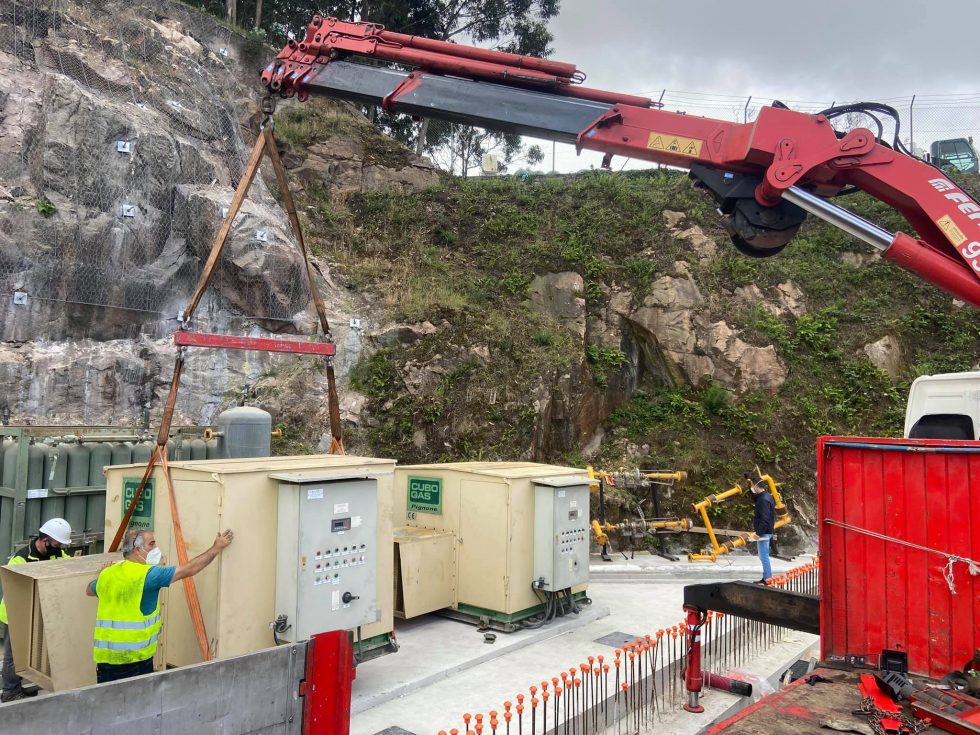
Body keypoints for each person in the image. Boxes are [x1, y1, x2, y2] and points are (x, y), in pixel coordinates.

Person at [86, 528, 233, 684]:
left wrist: (103, 575)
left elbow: (89, 590)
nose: (156, 548)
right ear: (137, 549)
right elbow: (190, 569)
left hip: (105, 662)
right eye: (152, 544)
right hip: (135, 662)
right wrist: (216, 548)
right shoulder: (149, 575)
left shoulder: (108, 574)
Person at [0, 518, 73, 702]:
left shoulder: (57, 554)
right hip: (16, 613)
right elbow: (14, 589)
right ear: (45, 540)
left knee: (31, 654)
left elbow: (71, 565)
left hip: (37, 612)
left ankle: (19, 687)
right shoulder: (21, 558)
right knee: (14, 656)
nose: (59, 548)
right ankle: (10, 692)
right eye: (57, 544)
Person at [748, 475, 776, 583]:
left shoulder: (763, 500)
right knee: (763, 556)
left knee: (764, 557)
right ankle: (766, 577)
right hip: (766, 530)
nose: (751, 488)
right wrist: (749, 482)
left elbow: (765, 518)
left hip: (764, 532)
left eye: (752, 486)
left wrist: (758, 533)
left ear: (756, 486)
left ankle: (768, 579)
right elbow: (755, 498)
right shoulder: (766, 496)